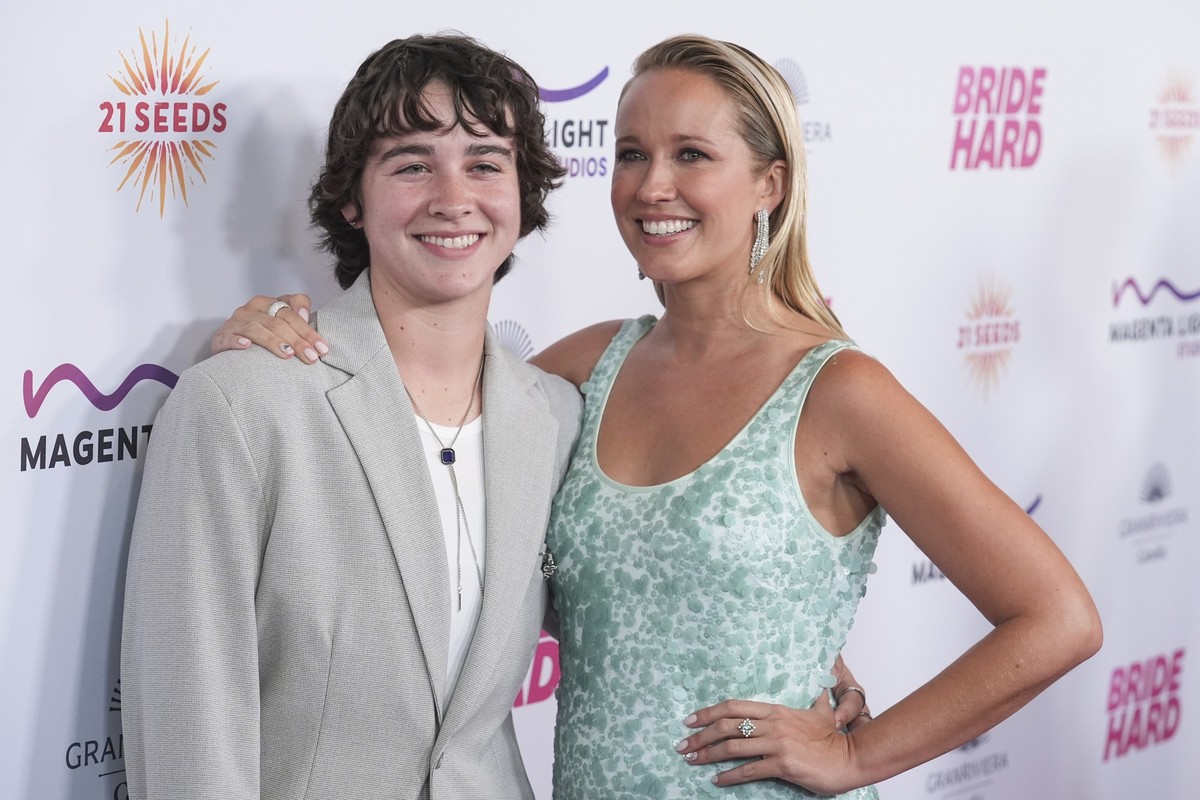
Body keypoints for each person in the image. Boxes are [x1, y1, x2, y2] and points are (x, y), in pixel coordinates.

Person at [211, 34, 1101, 799]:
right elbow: (429, 495)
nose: (652, 186)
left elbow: (1057, 617)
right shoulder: (578, 370)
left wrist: (856, 754)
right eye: (632, 154)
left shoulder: (839, 390)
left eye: (692, 155)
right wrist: (273, 331)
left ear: (770, 184)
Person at [120, 34, 585, 800]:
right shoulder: (239, 405)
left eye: (484, 163)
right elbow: (189, 726)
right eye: (411, 165)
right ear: (351, 199)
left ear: (523, 192)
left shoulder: (559, 419)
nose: (453, 197)